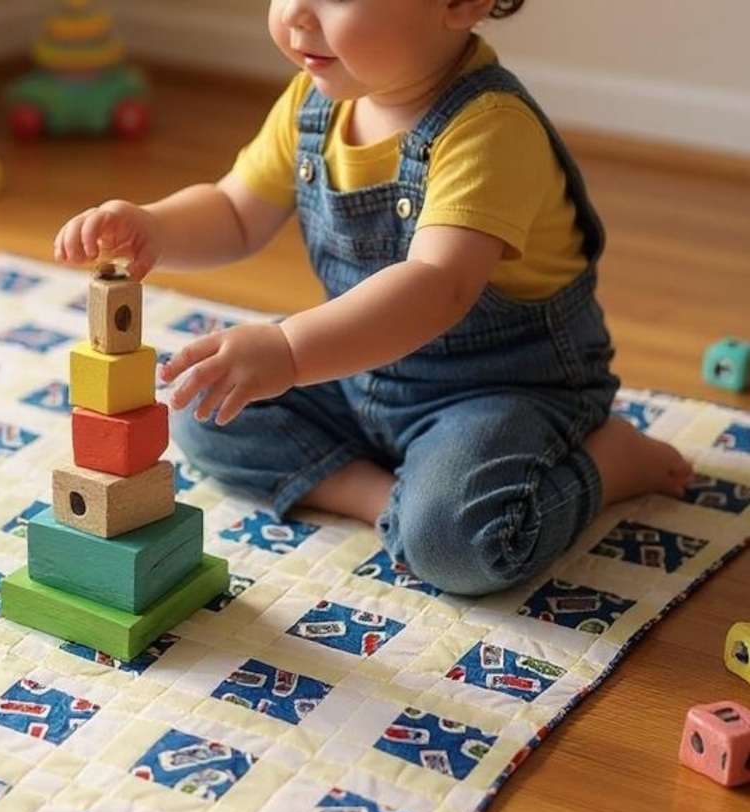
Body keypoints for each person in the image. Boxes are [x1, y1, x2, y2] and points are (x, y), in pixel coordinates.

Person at [54, 0, 692, 596]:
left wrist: (286, 349)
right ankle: (379, 497)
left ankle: (609, 463)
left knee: (458, 546)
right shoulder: (315, 101)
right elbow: (234, 210)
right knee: (203, 406)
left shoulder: (490, 131)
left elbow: (434, 288)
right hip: (359, 370)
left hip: (502, 390)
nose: (296, 15)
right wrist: (155, 226)